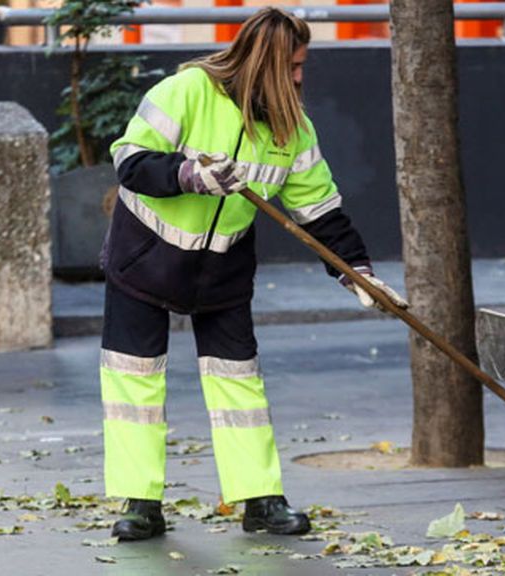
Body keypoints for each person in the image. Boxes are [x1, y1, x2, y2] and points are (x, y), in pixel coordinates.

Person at [100, 7, 407, 541]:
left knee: (239, 383)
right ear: (266, 63)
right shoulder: (187, 91)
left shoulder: (293, 129)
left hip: (220, 270)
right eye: (294, 65)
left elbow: (321, 210)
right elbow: (130, 160)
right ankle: (140, 502)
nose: (299, 76)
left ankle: (260, 500)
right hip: (143, 258)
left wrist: (357, 271)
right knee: (134, 382)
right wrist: (188, 174)